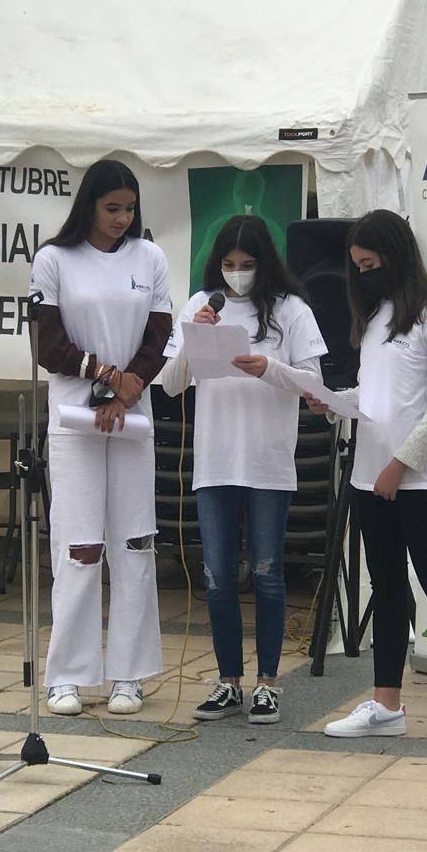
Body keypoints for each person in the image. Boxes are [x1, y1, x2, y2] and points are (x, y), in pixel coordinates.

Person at [305, 209, 427, 751]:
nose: (363, 274)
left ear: (394, 255)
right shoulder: (375, 317)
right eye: (357, 266)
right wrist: (331, 402)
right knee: (387, 589)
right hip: (370, 475)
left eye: (370, 264)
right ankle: (386, 704)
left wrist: (399, 465)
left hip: (417, 479)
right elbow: (375, 398)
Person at [162, 214, 327, 724]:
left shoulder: (291, 310)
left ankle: (268, 682)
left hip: (267, 460)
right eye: (229, 264)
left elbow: (314, 382)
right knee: (217, 576)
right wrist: (195, 337)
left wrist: (268, 367)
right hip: (215, 459)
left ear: (265, 262)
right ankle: (228, 680)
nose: (237, 274)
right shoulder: (201, 303)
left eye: (247, 264)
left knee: (268, 573)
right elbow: (170, 384)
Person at [29, 159, 172, 716]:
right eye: (112, 208)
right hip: (75, 420)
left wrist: (127, 390)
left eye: (129, 209)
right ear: (89, 204)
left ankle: (129, 674)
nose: (122, 218)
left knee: (134, 541)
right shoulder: (54, 259)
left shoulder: (150, 257)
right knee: (79, 544)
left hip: (131, 418)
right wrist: (106, 375)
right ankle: (67, 674)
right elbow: (48, 346)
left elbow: (159, 335)